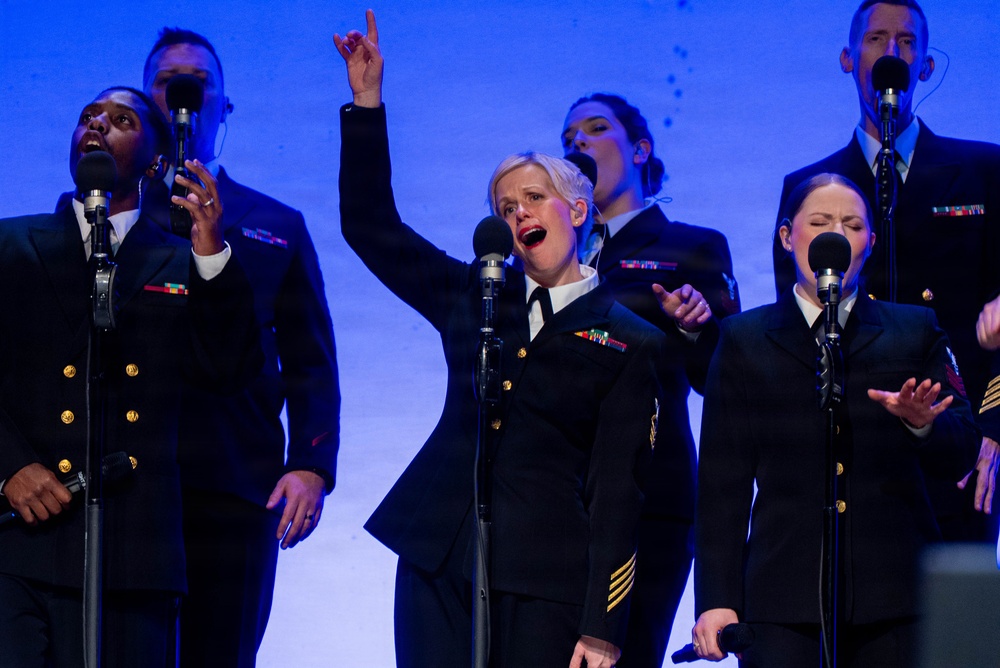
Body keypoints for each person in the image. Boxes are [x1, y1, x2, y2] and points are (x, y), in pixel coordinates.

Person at [336, 11, 666, 668]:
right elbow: (371, 227)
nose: (518, 215)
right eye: (505, 207)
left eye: (534, 199)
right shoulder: (474, 296)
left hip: (545, 577)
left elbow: (618, 494)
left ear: (576, 211)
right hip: (438, 549)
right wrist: (366, 105)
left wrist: (603, 625)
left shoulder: (629, 341)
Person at [0, 86, 259, 667]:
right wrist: (8, 465)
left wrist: (212, 254)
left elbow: (228, 372)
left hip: (136, 551)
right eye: (88, 116)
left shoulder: (180, 260)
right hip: (18, 544)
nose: (97, 125)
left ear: (156, 163)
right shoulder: (11, 244)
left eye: (120, 120)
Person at [696, 173, 979, 666]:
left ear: (870, 242)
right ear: (788, 237)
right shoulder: (744, 339)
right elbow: (723, 483)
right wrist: (717, 599)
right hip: (781, 600)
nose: (835, 236)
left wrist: (923, 424)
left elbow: (964, 444)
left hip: (896, 597)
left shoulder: (914, 329)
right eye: (820, 222)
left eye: (851, 224)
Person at [141, 28, 340, 666]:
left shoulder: (275, 224)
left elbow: (311, 361)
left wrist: (312, 466)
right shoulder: (113, 216)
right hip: (130, 479)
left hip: (236, 483)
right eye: (168, 81)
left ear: (224, 107)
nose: (184, 92)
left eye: (199, 83)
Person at [771, 0, 1000, 538]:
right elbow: (794, 323)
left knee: (958, 618)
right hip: (852, 449)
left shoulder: (985, 171)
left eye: (905, 41)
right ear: (849, 58)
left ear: (926, 65)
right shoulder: (809, 189)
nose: (889, 52)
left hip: (961, 447)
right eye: (875, 39)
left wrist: (992, 425)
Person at [561, 94, 741, 666]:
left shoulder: (691, 245)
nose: (578, 143)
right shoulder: (548, 249)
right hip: (551, 493)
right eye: (569, 138)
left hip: (649, 495)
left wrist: (697, 329)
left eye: (595, 129)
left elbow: (730, 377)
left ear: (640, 150)